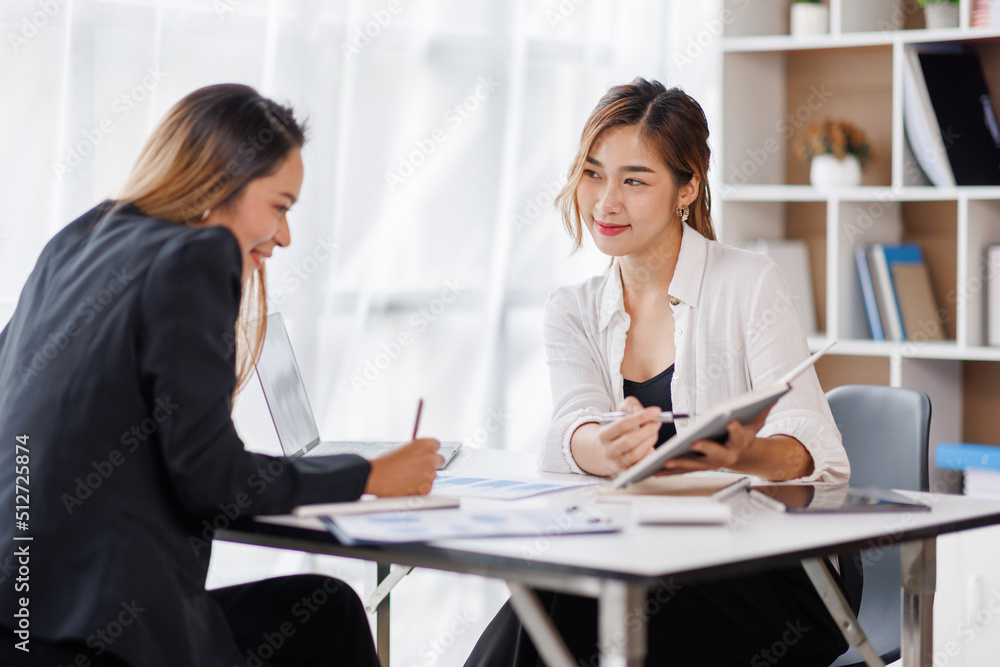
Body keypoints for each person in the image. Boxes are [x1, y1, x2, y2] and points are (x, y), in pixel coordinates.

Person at [0, 84, 440, 666]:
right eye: (280, 207)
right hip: (98, 638)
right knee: (326, 616)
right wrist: (370, 474)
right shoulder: (195, 256)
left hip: (21, 620)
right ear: (218, 184)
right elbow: (211, 480)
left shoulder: (76, 240)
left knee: (324, 608)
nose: (284, 237)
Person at [464, 79, 852, 666]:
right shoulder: (572, 310)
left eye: (634, 180)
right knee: (561, 593)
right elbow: (570, 428)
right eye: (593, 174)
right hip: (644, 557)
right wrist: (606, 447)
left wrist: (742, 454)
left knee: (563, 602)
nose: (605, 202)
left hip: (776, 575)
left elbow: (816, 452)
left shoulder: (750, 283)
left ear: (687, 187)